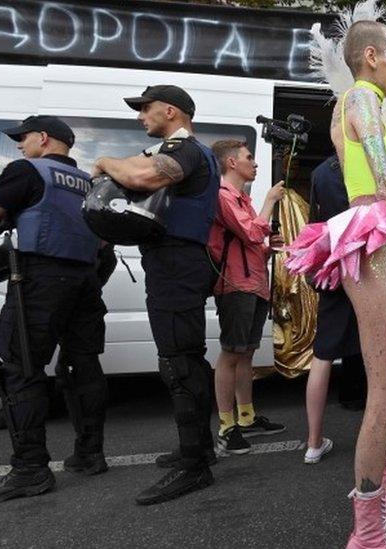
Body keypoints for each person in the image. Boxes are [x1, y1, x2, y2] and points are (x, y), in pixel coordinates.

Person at [283, 21, 386, 546]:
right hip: (370, 243)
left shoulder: (360, 106)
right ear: (371, 56)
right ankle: (366, 532)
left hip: (375, 243)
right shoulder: (360, 99)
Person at [91, 85, 220, 505]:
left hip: (178, 262)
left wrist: (104, 161)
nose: (140, 117)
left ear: (170, 110)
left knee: (180, 361)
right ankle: (196, 449)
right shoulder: (178, 148)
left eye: (145, 109)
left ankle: (194, 465)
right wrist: (121, 164)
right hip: (174, 260)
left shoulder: (186, 149)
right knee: (182, 357)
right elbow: (138, 164)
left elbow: (141, 175)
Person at [0, 116, 108, 503]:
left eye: (23, 138)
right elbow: (102, 242)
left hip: (40, 279)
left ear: (44, 138)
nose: (19, 145)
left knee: (21, 370)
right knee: (83, 366)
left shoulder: (27, 171)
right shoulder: (88, 181)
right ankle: (89, 454)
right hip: (85, 280)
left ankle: (30, 469)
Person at [207, 140, 287, 457]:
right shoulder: (223, 196)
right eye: (249, 158)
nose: (254, 163)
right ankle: (226, 428)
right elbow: (253, 233)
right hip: (236, 286)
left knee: (247, 353)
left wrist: (270, 247)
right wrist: (269, 202)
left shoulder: (242, 199)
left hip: (254, 283)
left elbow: (252, 242)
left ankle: (246, 416)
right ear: (230, 162)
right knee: (231, 353)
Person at [303, 154, 367, 464]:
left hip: (334, 267)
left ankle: (314, 442)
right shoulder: (371, 162)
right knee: (381, 352)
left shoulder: (319, 172)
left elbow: (315, 225)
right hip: (370, 267)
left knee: (323, 355)